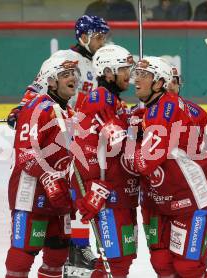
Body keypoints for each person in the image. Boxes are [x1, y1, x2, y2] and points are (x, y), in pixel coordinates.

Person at [5, 15, 110, 274]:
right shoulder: (62, 59)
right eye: (98, 36)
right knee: (68, 192)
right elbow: (36, 87)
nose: (102, 41)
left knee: (79, 193)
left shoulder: (101, 64)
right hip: (56, 134)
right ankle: (79, 243)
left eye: (104, 36)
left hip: (82, 133)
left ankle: (79, 243)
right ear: (83, 36)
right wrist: (22, 108)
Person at [129, 56, 207, 277]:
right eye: (136, 74)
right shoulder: (154, 109)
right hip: (164, 200)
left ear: (159, 83)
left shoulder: (164, 109)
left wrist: (131, 138)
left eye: (144, 75)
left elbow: (143, 162)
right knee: (163, 264)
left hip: (191, 200)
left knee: (188, 268)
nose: (136, 80)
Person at [4, 50, 80, 278]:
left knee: (58, 253)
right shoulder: (38, 108)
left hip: (59, 194)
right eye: (65, 73)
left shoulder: (69, 112)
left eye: (73, 73)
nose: (73, 78)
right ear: (51, 80)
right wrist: (49, 179)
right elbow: (26, 154)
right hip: (31, 193)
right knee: (23, 253)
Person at [70, 44, 139, 277]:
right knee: (117, 260)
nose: (129, 75)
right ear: (108, 72)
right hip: (106, 191)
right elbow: (113, 141)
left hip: (118, 190)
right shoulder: (100, 98)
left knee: (121, 257)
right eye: (124, 69)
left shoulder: (114, 100)